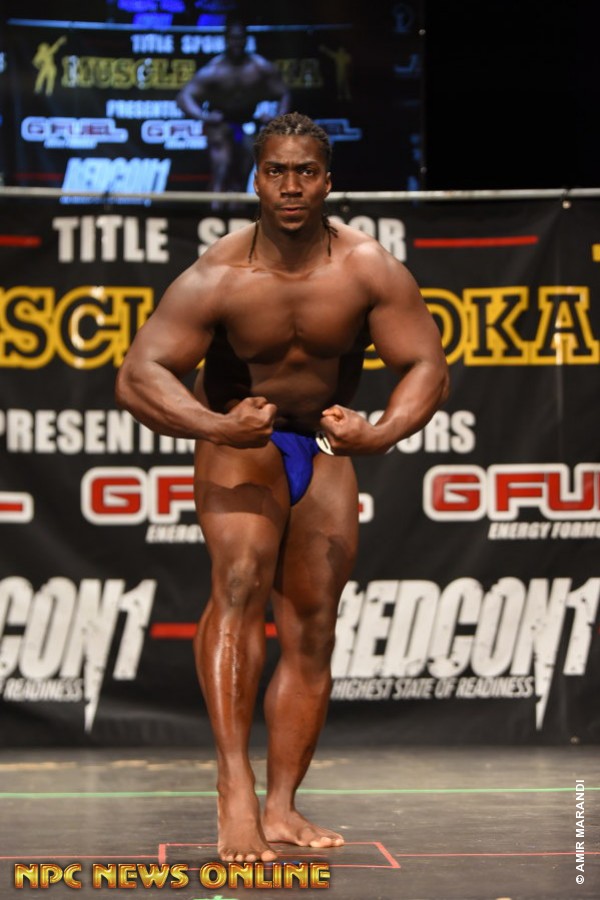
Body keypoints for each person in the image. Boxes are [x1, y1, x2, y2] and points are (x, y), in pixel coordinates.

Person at [115, 112, 449, 863]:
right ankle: (234, 790)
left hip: (323, 445)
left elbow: (426, 365)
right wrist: (216, 423)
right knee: (238, 582)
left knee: (313, 625)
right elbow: (139, 375)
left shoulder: (367, 269)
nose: (291, 186)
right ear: (256, 180)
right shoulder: (220, 274)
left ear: (328, 181)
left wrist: (380, 433)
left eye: (305, 171)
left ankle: (282, 805)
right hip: (244, 441)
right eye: (276, 171)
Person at [176, 17, 290, 198]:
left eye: (240, 38)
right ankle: (215, 208)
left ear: (246, 39)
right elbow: (184, 97)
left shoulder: (259, 67)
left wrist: (276, 119)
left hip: (248, 120)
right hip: (221, 122)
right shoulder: (215, 69)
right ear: (226, 39)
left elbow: (283, 93)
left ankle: (237, 209)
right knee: (222, 167)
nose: (237, 42)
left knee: (244, 171)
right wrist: (204, 117)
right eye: (233, 38)